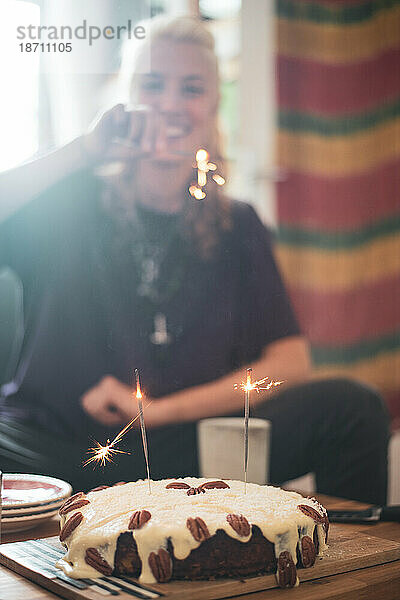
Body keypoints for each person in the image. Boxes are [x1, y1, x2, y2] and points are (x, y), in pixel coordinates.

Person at [0, 16, 388, 503]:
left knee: (353, 409)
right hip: (48, 452)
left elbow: (291, 362)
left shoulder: (237, 224)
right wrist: (85, 150)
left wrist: (156, 414)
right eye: (153, 84)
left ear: (212, 104)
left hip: (181, 453)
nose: (169, 103)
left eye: (191, 87)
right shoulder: (72, 196)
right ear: (126, 95)